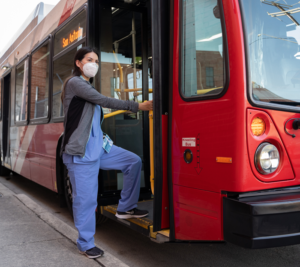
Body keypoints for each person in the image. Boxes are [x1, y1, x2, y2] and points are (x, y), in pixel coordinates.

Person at [60, 46, 153, 259]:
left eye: (96, 60)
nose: (94, 63)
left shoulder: (86, 86)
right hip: (81, 154)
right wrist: (139, 106)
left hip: (99, 147)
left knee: (133, 161)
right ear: (78, 63)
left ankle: (125, 207)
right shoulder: (75, 83)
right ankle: (85, 243)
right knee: (86, 201)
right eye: (89, 59)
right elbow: (104, 100)